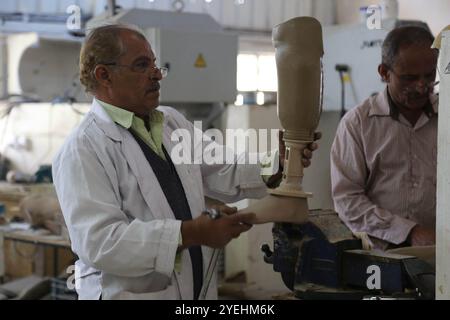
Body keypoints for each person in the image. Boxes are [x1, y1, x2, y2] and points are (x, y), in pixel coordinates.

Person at [52, 24, 318, 300]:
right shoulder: (83, 149)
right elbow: (100, 243)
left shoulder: (170, 122)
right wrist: (190, 233)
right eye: (142, 65)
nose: (156, 75)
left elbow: (224, 168)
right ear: (104, 75)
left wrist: (277, 164)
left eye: (155, 65)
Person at [331, 26, 438, 250]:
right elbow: (347, 201)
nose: (421, 86)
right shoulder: (358, 124)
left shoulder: (447, 116)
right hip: (383, 256)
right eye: (409, 78)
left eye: (429, 75)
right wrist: (409, 232)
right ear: (384, 73)